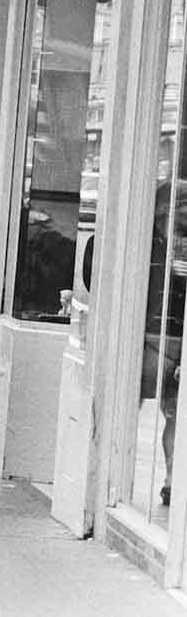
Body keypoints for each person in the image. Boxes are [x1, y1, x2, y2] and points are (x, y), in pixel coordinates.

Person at [141, 179, 187, 508]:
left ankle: (172, 479)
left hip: (170, 337)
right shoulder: (151, 246)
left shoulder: (163, 246)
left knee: (174, 414)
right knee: (166, 412)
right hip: (151, 338)